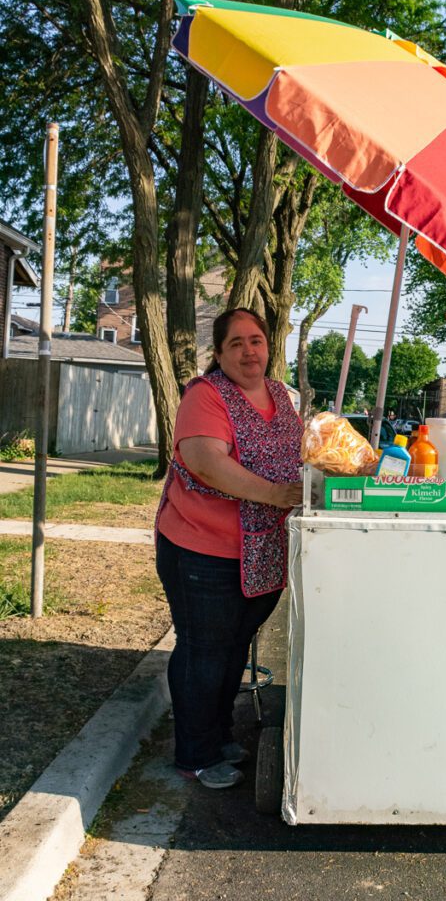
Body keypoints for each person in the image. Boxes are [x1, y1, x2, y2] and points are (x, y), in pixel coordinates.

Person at [155, 308, 303, 789]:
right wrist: (276, 494)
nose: (248, 351)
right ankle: (195, 754)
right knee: (204, 651)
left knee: (233, 648)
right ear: (218, 353)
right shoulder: (206, 395)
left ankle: (218, 737)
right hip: (203, 548)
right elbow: (203, 460)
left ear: (269, 347)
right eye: (236, 342)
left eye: (256, 340)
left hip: (263, 552)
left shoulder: (280, 394)